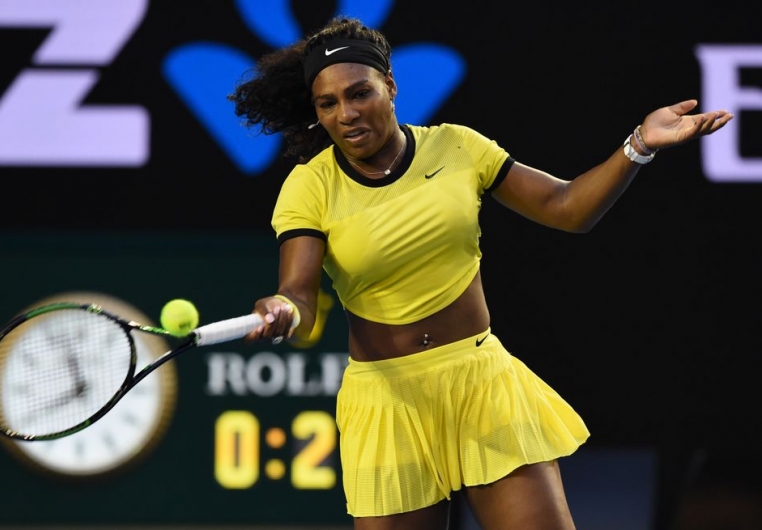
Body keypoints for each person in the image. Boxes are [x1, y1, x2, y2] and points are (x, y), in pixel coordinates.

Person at [228, 16, 733, 530]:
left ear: (391, 86)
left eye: (360, 94)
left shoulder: (457, 147)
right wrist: (283, 310)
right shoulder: (309, 187)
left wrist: (639, 145)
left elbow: (567, 206)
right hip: (387, 401)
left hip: (480, 386)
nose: (347, 114)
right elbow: (300, 296)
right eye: (328, 104)